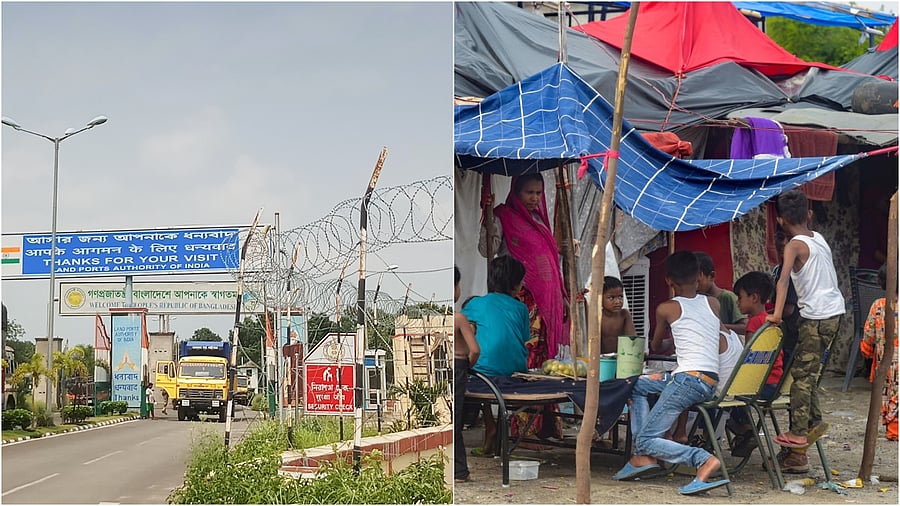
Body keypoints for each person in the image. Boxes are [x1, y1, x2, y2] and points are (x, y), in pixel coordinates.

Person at [613, 251, 729, 496]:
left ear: (668, 280)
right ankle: (643, 457)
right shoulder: (713, 303)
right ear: (698, 278)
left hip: (687, 380)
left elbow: (655, 346)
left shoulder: (666, 308)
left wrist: (665, 341)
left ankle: (701, 459)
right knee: (637, 385)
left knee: (645, 439)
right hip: (708, 379)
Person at [767, 190, 844, 465]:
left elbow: (783, 280)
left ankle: (799, 433)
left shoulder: (794, 246)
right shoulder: (818, 238)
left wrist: (775, 315)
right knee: (809, 371)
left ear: (779, 220)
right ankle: (814, 421)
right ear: (808, 215)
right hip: (835, 313)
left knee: (801, 377)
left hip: (816, 317)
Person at [479, 173, 569, 367]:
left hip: (546, 299)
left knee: (543, 351)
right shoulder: (502, 216)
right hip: (518, 295)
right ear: (516, 191)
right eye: (529, 192)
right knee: (522, 343)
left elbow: (552, 260)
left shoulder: (539, 219)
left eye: (538, 193)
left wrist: (561, 295)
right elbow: (486, 250)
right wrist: (488, 221)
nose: (535, 198)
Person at [462, 255, 530, 456]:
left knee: (476, 370)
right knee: (490, 373)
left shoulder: (474, 305)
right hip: (515, 370)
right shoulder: (521, 308)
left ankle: (490, 427)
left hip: (483, 374)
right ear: (515, 285)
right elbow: (523, 338)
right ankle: (494, 428)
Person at [728, 271, 781, 457]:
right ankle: (746, 431)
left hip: (759, 386)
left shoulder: (753, 324)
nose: (737, 302)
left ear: (754, 297)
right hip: (775, 384)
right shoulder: (770, 322)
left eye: (740, 297)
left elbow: (748, 361)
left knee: (726, 396)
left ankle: (747, 430)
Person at [861, 264, 898, 441]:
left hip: (887, 362)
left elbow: (868, 335)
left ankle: (895, 430)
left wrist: (866, 352)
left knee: (891, 393)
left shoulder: (878, 305)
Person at [454, 266, 481, 483]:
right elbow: (475, 350)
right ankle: (459, 471)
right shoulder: (459, 318)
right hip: (458, 366)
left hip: (441, 368)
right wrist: (468, 367)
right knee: (457, 419)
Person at [696, 251, 748, 337]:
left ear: (712, 276)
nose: (695, 286)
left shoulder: (728, 297)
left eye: (698, 281)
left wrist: (718, 326)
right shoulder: (697, 300)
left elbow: (745, 327)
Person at [601, 276, 636, 355]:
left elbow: (632, 338)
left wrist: (637, 351)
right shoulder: (598, 316)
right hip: (601, 359)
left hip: (621, 358)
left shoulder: (624, 315)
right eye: (611, 298)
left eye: (620, 296)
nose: (617, 301)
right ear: (600, 298)